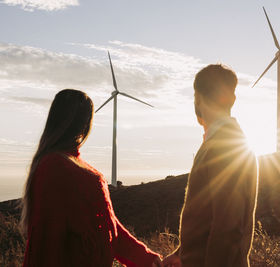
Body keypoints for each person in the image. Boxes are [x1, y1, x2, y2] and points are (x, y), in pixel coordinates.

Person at [20, 89, 163, 267]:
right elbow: (48, 240)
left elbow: (109, 226)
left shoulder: (66, 165)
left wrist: (145, 257)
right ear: (85, 123)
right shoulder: (55, 167)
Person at [163, 64, 259, 267]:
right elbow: (209, 217)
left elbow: (228, 226)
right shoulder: (224, 142)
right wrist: (182, 253)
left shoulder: (225, 146)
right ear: (232, 99)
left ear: (197, 99)